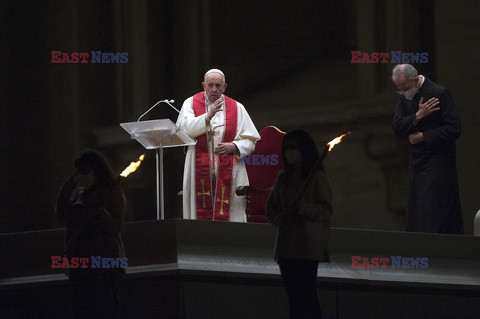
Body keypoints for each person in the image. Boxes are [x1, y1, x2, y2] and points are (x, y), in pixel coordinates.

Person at [176, 69, 260, 222]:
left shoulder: (237, 108)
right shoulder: (190, 104)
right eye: (210, 85)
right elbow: (183, 130)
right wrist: (207, 117)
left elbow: (251, 141)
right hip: (198, 168)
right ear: (203, 85)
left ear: (224, 87)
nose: (214, 90)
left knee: (230, 214)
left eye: (218, 85)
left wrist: (235, 146)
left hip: (230, 169)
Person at [266, 129, 333, 318]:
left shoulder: (316, 177)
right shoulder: (283, 178)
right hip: (287, 247)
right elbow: (271, 209)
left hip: (307, 247)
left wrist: (304, 208)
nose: (289, 152)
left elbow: (326, 210)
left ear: (303, 149)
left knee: (307, 298)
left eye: (293, 148)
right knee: (294, 300)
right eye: (286, 149)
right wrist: (281, 218)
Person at [392, 64, 463, 234]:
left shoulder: (439, 93)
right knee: (418, 213)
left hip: (438, 162)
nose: (403, 93)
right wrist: (417, 116)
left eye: (405, 88)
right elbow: (397, 126)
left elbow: (454, 129)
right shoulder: (404, 97)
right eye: (399, 90)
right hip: (417, 163)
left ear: (416, 80)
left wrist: (424, 136)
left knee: (435, 212)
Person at [55, 149, 126, 318]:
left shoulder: (112, 192)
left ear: (96, 170)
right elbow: (62, 216)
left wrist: (98, 210)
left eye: (85, 171)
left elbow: (114, 227)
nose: (82, 176)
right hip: (79, 263)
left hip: (104, 262)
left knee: (104, 309)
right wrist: (65, 192)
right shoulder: (78, 193)